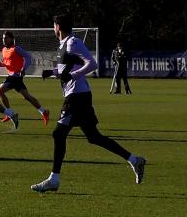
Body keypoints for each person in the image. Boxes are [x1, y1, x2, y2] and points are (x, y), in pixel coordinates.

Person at [31, 15, 145, 193]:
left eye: (53, 25)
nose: (53, 28)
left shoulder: (72, 43)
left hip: (77, 96)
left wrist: (73, 76)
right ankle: (134, 160)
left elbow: (92, 64)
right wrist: (52, 72)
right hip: (79, 95)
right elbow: (68, 69)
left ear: (58, 26)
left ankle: (54, 179)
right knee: (93, 137)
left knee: (58, 134)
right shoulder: (64, 45)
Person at [0, 31, 49, 124]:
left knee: (0, 91)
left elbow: (28, 57)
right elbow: (9, 62)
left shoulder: (16, 48)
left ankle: (10, 113)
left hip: (15, 76)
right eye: (3, 38)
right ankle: (44, 111)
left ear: (11, 39)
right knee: (27, 97)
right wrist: (3, 64)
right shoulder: (4, 50)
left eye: (6, 38)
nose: (4, 40)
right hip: (13, 76)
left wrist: (23, 68)